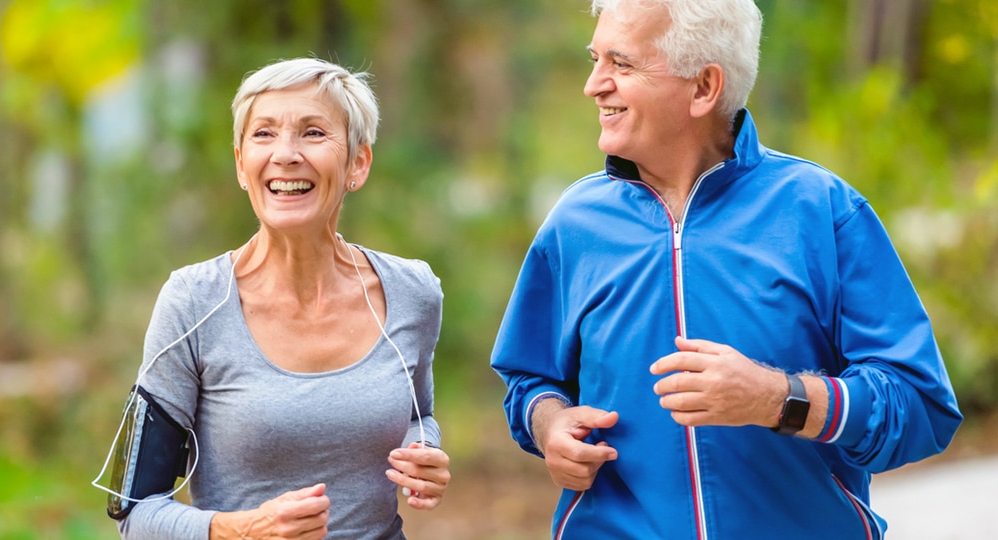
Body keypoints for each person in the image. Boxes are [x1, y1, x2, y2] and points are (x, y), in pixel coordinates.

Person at [489, 1, 962, 538]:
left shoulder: (822, 210)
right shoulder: (574, 224)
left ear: (703, 87)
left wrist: (776, 398)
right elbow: (528, 379)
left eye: (622, 64)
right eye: (595, 59)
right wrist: (549, 424)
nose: (594, 85)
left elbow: (919, 407)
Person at [98, 57, 451, 540]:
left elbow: (418, 413)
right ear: (242, 164)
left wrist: (423, 453)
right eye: (264, 134)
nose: (285, 154)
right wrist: (243, 529)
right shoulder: (193, 303)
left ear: (358, 163)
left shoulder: (413, 291)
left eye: (312, 133)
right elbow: (134, 513)